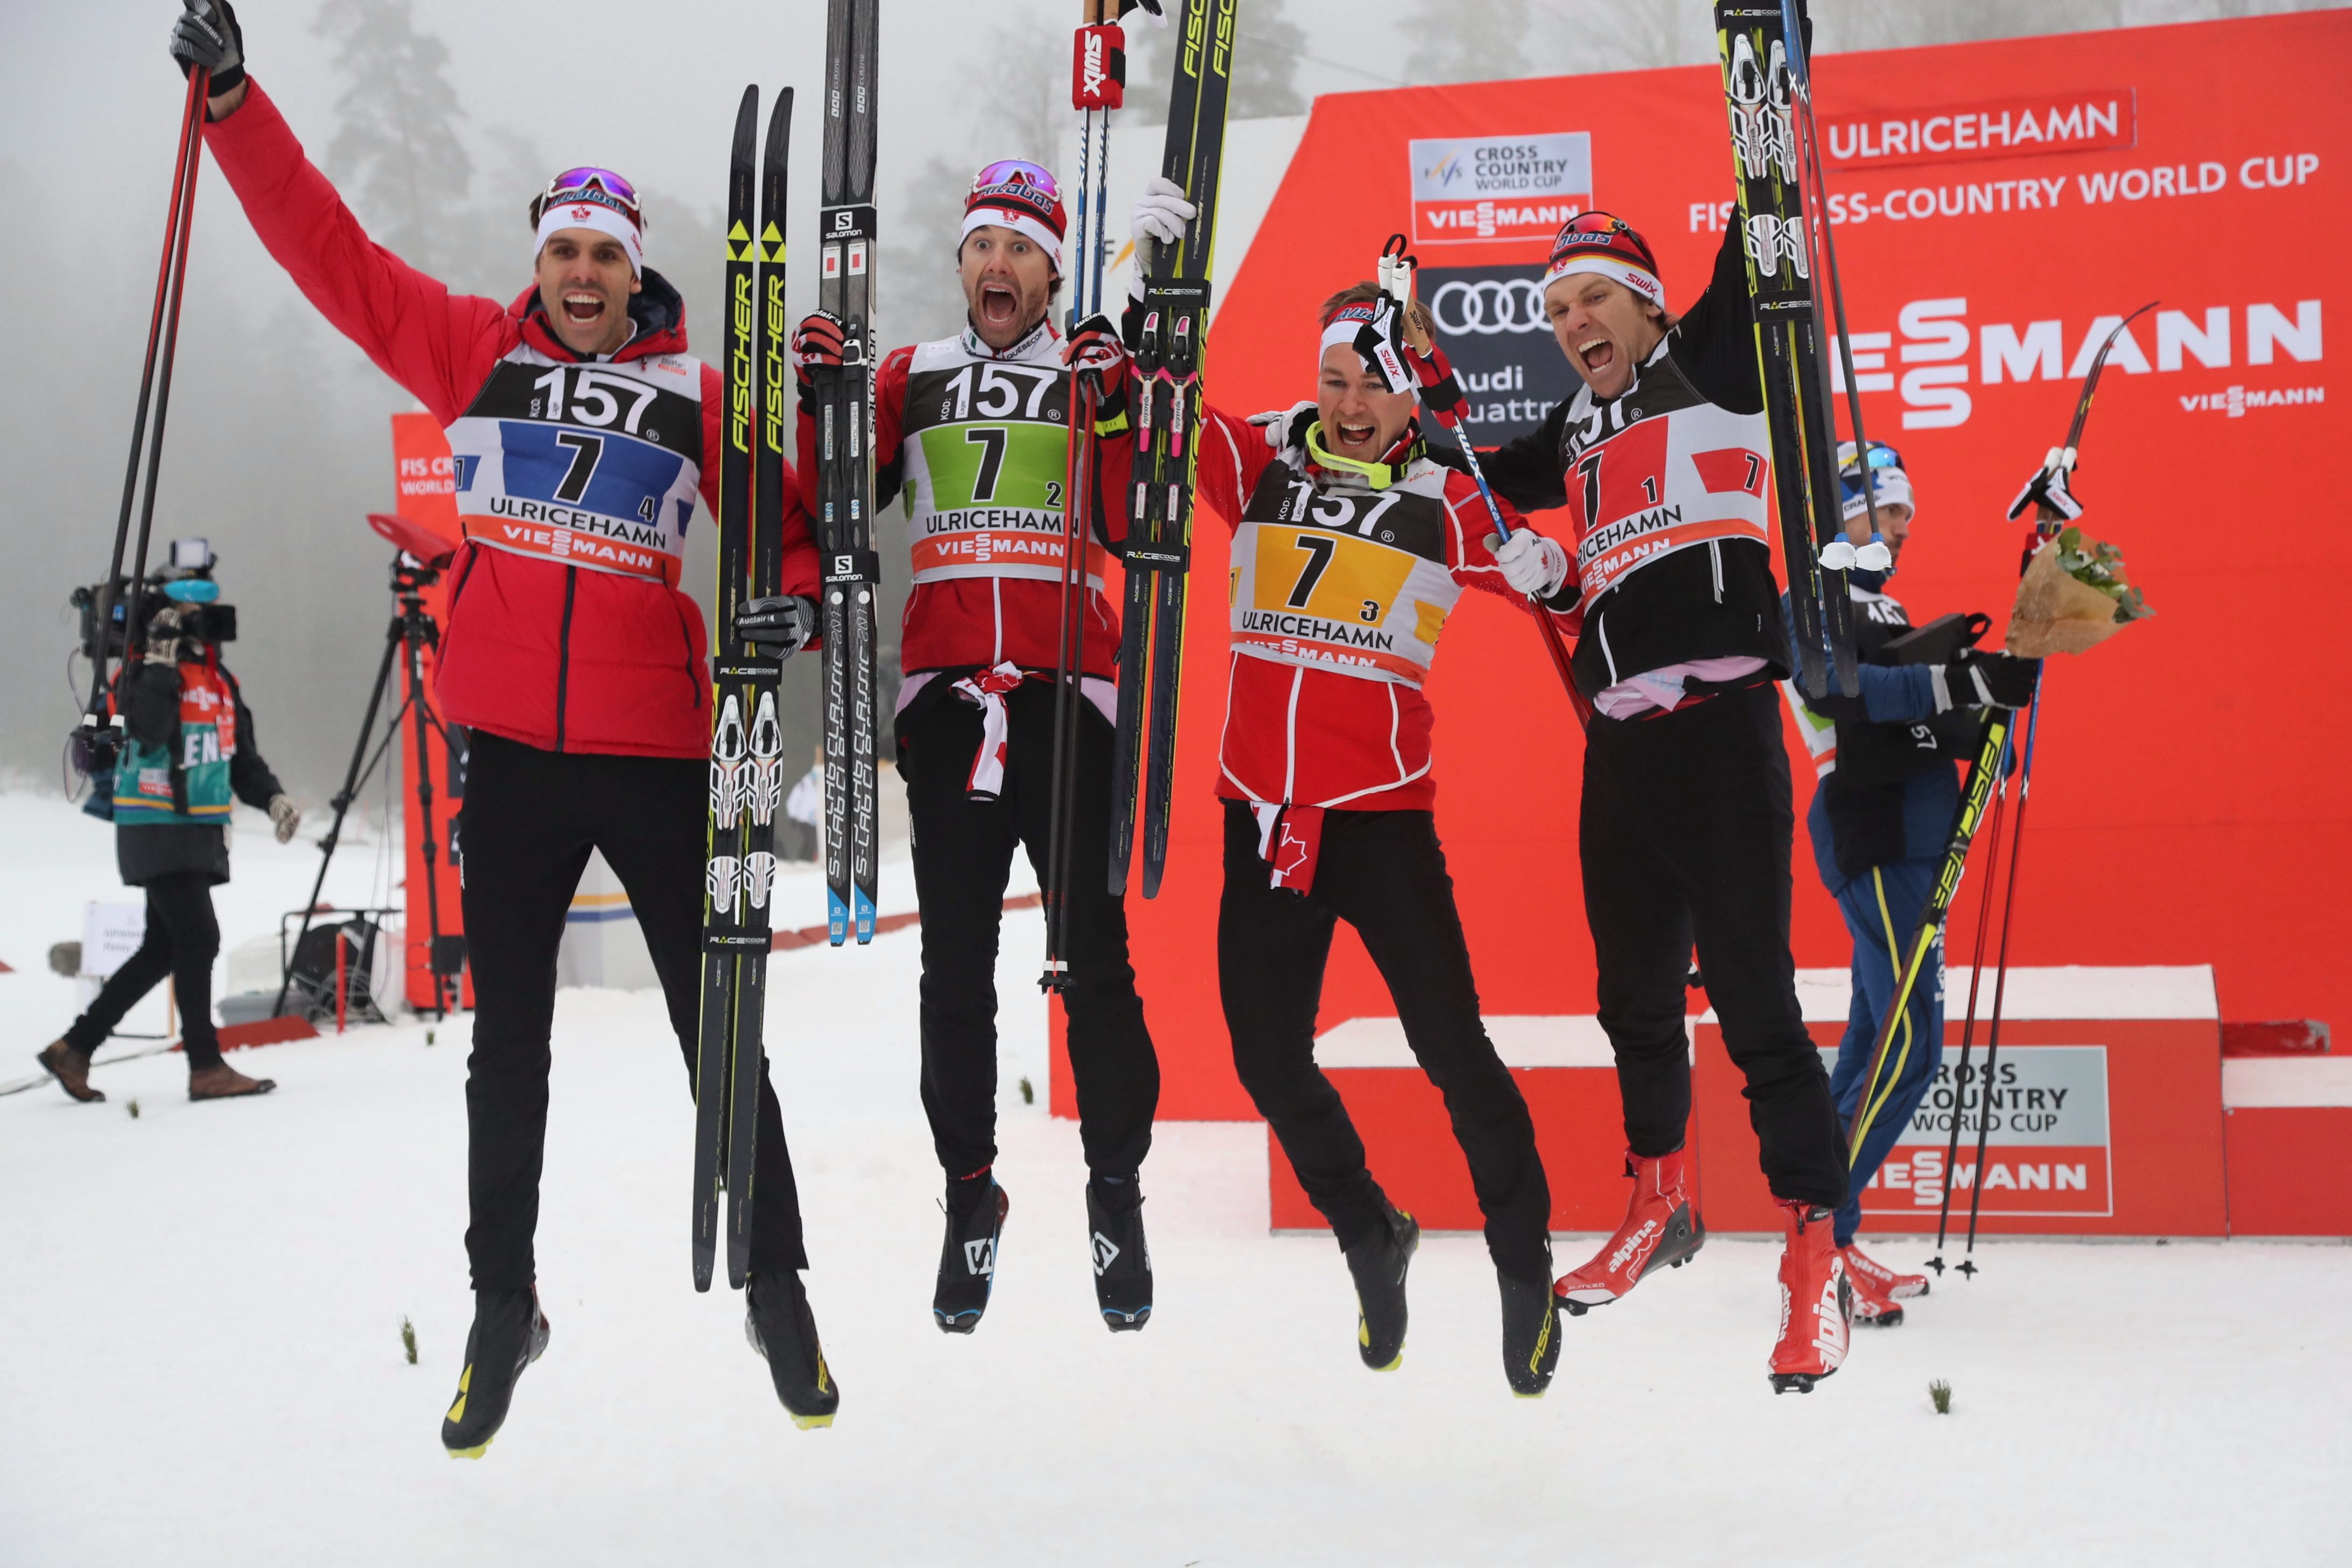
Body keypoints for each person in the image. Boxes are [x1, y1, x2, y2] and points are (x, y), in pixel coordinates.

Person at [167, 0, 837, 1451]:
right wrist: (233, 102)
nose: (582, 271)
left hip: (661, 755)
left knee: (720, 1029)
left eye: (604, 250)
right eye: (562, 249)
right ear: (537, 263)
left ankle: (777, 1283)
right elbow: (329, 255)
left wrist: (788, 605)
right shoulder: (473, 351)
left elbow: (786, 532)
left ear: (634, 264)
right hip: (515, 762)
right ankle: (502, 1302)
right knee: (506, 1050)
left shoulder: (692, 395)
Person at [1126, 181, 1569, 1396]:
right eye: (1336, 377)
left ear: (1408, 391)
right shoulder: (1264, 454)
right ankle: (1372, 1229)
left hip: (1380, 821)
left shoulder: (1444, 493)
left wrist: (1547, 560)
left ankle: (1525, 1265)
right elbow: (1151, 418)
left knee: (1450, 1047)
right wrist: (1149, 289)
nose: (1351, 401)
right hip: (1259, 819)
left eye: (1373, 382)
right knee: (1268, 1059)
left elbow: (1553, 583)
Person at [1462, 208, 1853, 1390]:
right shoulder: (1577, 424)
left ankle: (1815, 1257)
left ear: (1647, 304)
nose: (1573, 321)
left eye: (1593, 298)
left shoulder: (1716, 365)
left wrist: (1765, 61)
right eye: (1555, 310)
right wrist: (1387, 365)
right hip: (1622, 746)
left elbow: (1763, 218)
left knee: (1755, 1007)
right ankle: (1659, 1199)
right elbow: (1462, 463)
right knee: (1630, 997)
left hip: (1723, 737)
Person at [791, 161, 1161, 1336]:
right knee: (953, 973)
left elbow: (1122, 516)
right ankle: (970, 1194)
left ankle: (1116, 1193)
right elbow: (834, 505)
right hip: (952, 704)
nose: (999, 266)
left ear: (1054, 268)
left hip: (1070, 700)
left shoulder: (1081, 370)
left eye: (1022, 249)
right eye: (981, 246)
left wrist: (1130, 388)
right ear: (960, 265)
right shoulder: (914, 374)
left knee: (1094, 966)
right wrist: (824, 398)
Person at [1782, 442, 2039, 1326]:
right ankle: (1816, 1239)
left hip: (1919, 824)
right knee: (1908, 1045)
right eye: (1888, 511)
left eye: (1905, 517)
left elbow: (1938, 715)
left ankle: (1832, 1238)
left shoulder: (1883, 601)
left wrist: (2005, 693)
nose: (1899, 529)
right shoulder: (1812, 595)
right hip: (1878, 825)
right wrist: (1958, 679)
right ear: (1845, 508)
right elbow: (1843, 690)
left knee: (1868, 1038)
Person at [37, 547, 297, 1104]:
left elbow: (240, 756)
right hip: (153, 822)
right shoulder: (142, 672)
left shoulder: (221, 679)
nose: (205, 628)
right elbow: (148, 733)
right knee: (200, 938)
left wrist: (272, 798)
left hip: (198, 826)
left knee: (163, 948)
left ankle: (74, 1048)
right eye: (190, 618)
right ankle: (205, 1065)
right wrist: (157, 660)